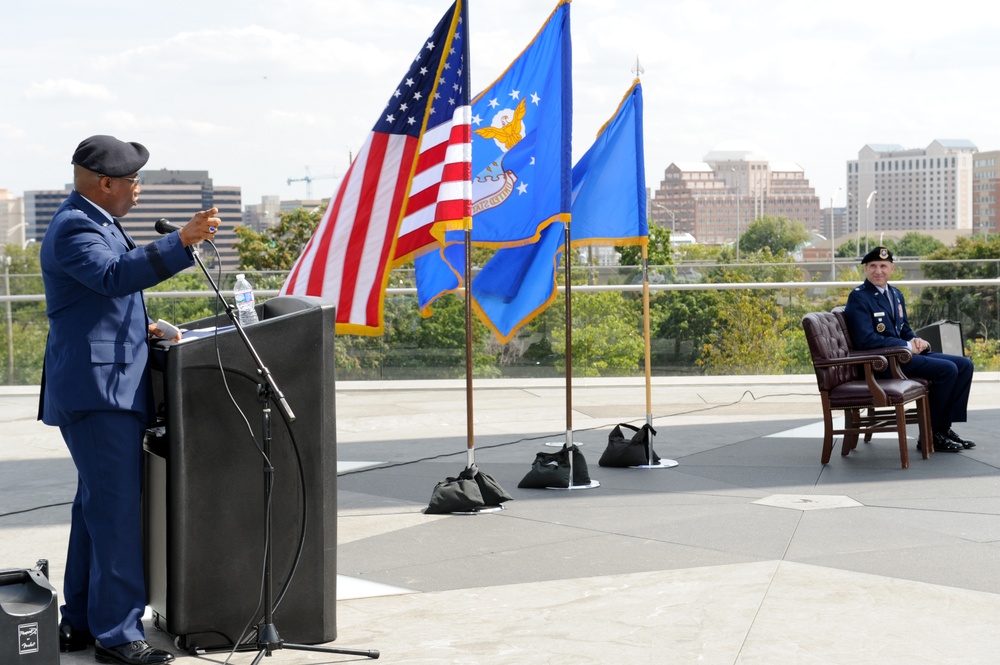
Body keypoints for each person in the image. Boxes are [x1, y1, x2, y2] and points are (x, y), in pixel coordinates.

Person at [38, 135, 219, 665]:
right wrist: (181, 241)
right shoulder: (76, 226)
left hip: (108, 384)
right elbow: (114, 277)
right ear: (106, 183)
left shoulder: (97, 221)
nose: (139, 190)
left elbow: (106, 305)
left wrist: (148, 331)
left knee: (96, 509)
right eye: (134, 181)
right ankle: (117, 637)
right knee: (116, 513)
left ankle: (80, 621)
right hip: (100, 393)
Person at [844, 246, 976, 454]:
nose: (878, 271)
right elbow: (866, 340)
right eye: (873, 266)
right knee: (948, 370)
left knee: (965, 365)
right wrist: (906, 346)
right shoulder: (859, 297)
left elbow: (903, 329)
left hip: (901, 356)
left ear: (892, 269)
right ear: (866, 269)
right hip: (883, 363)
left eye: (883, 266)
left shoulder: (895, 294)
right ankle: (931, 436)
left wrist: (916, 340)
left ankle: (943, 428)